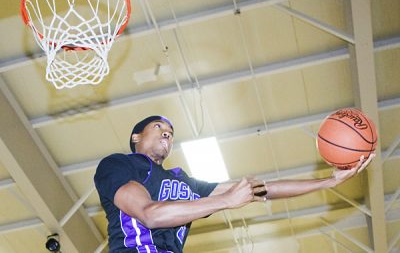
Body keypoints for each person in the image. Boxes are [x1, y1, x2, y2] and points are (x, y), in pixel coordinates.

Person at [94, 115, 373, 253]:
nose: (167, 133)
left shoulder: (183, 182)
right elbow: (150, 215)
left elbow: (261, 188)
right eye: (158, 127)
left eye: (170, 132)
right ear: (135, 137)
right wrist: (226, 200)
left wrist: (328, 182)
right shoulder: (118, 165)